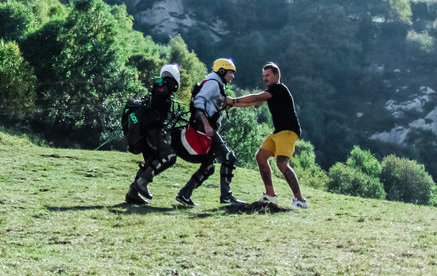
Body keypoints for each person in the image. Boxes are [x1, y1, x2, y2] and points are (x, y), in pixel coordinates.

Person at [226, 62, 307, 209]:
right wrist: (232, 104)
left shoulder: (278, 88)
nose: (265, 78)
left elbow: (256, 96)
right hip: (278, 131)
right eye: (263, 76)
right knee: (261, 157)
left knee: (282, 164)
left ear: (276, 75)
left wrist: (232, 100)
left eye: (268, 75)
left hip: (288, 131)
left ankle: (300, 200)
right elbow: (253, 103)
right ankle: (270, 195)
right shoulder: (271, 91)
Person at [176, 57, 243, 207]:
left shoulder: (215, 84)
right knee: (228, 157)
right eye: (231, 72)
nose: (232, 76)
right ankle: (226, 197)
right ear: (222, 71)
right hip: (204, 128)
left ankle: (184, 195)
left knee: (208, 166)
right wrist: (206, 125)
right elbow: (199, 103)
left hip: (203, 127)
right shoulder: (213, 84)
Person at [125, 63, 182, 205]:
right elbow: (158, 110)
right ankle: (142, 183)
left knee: (152, 161)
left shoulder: (160, 87)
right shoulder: (162, 87)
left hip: (146, 130)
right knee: (170, 156)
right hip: (152, 131)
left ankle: (133, 193)